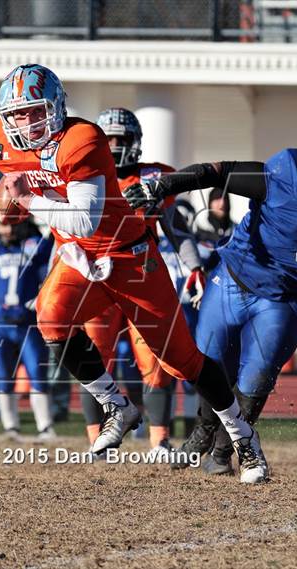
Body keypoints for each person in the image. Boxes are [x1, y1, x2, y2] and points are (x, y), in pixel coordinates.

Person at [0, 63, 268, 483]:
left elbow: (86, 219)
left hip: (131, 257)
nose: (27, 122)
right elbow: (25, 191)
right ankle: (117, 405)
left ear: (57, 107)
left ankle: (245, 439)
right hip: (79, 256)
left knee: (181, 361)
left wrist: (25, 198)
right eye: (18, 114)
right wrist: (10, 196)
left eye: (35, 110)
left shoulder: (81, 141)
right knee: (50, 317)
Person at [123, 147, 297, 478]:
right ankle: (201, 433)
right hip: (233, 278)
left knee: (255, 380)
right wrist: (163, 186)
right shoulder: (286, 176)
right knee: (211, 362)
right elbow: (216, 171)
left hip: (284, 299)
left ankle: (223, 451)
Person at [80, 107, 205, 457]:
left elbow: (176, 229)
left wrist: (193, 265)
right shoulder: (84, 175)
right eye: (110, 139)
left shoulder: (154, 179)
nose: (116, 146)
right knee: (92, 361)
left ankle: (159, 440)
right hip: (96, 279)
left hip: (141, 278)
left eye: (122, 139)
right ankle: (97, 441)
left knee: (156, 361)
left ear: (136, 143)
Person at [0, 212, 54, 439]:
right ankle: (11, 427)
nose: (9, 230)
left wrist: (35, 303)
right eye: (4, 224)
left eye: (13, 224)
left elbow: (48, 281)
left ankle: (45, 427)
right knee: (3, 376)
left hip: (28, 324)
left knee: (37, 374)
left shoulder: (34, 248)